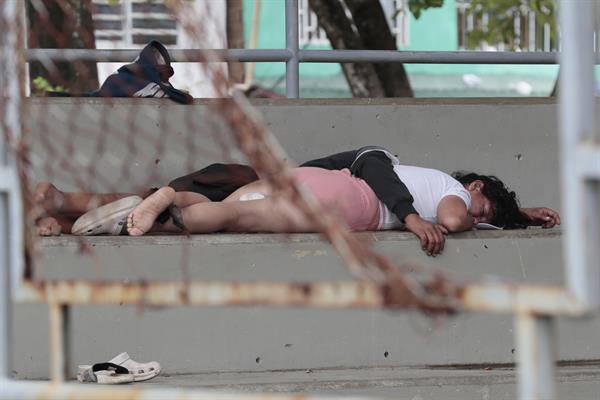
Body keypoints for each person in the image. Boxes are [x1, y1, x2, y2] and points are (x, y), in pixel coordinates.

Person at [34, 147, 560, 256]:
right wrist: (411, 216)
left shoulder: (436, 187)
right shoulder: (398, 172)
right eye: (482, 206)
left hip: (304, 182)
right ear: (473, 187)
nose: (477, 218)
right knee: (228, 199)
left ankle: (73, 210)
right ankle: (72, 204)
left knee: (219, 210)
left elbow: (473, 214)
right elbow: (453, 212)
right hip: (317, 187)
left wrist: (521, 217)